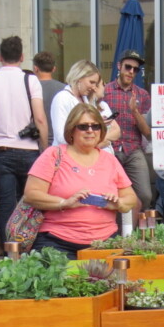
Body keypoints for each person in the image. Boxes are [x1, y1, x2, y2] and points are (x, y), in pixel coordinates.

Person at [24, 103, 137, 258]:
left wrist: (118, 203)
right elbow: (31, 194)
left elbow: (131, 198)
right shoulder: (54, 155)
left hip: (103, 244)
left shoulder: (110, 160)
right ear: (72, 130)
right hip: (57, 242)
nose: (90, 130)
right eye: (83, 126)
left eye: (96, 126)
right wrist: (65, 203)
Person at [0, 35, 49, 249]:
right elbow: (40, 118)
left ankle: (8, 249)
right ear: (22, 57)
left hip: (1, 150)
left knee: (5, 204)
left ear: (0, 57)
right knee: (31, 202)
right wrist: (44, 147)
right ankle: (29, 247)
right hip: (28, 150)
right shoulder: (30, 80)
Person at [103, 50, 154, 224]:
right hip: (110, 149)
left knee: (145, 195)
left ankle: (137, 233)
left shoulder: (142, 95)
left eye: (135, 69)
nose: (131, 72)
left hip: (133, 148)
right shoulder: (105, 91)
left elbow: (148, 133)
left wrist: (135, 111)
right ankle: (120, 230)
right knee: (112, 194)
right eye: (128, 67)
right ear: (119, 66)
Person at [32, 51, 67, 147]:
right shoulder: (65, 89)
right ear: (54, 69)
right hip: (60, 140)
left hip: (35, 140)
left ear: (35, 68)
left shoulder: (29, 89)